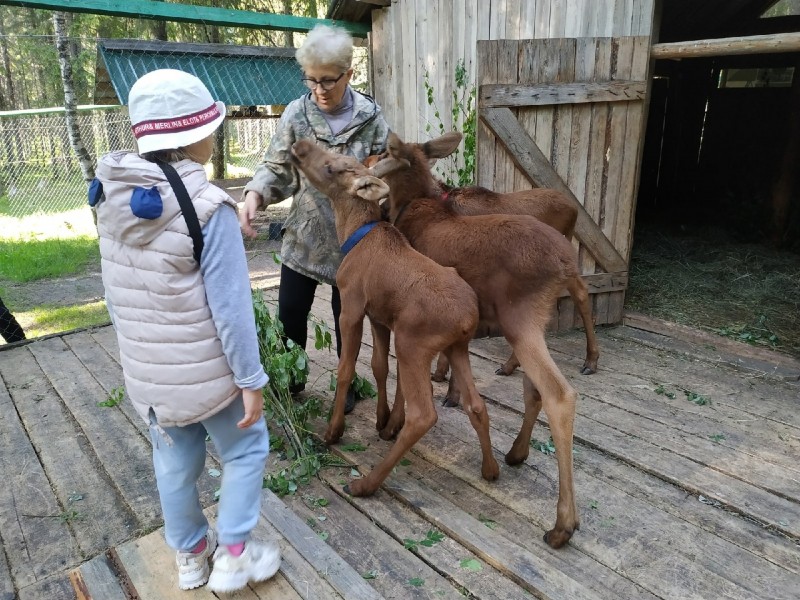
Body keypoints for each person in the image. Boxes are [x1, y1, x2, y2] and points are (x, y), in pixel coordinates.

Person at [93, 69, 280, 593]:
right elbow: (232, 309)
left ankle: (192, 556)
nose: (216, 134)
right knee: (245, 449)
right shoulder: (207, 206)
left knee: (175, 466)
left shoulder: (110, 198)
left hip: (149, 372)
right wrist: (251, 378)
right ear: (192, 134)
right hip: (209, 372)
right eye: (212, 125)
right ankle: (235, 556)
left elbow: (125, 285)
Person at [240, 24, 391, 414]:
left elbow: (382, 172)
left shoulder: (372, 118)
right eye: (311, 80)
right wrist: (256, 193)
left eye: (328, 80)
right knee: (290, 312)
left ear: (348, 74)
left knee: (349, 318)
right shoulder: (297, 113)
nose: (319, 89)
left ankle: (346, 385)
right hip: (306, 237)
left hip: (355, 243)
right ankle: (291, 381)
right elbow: (277, 165)